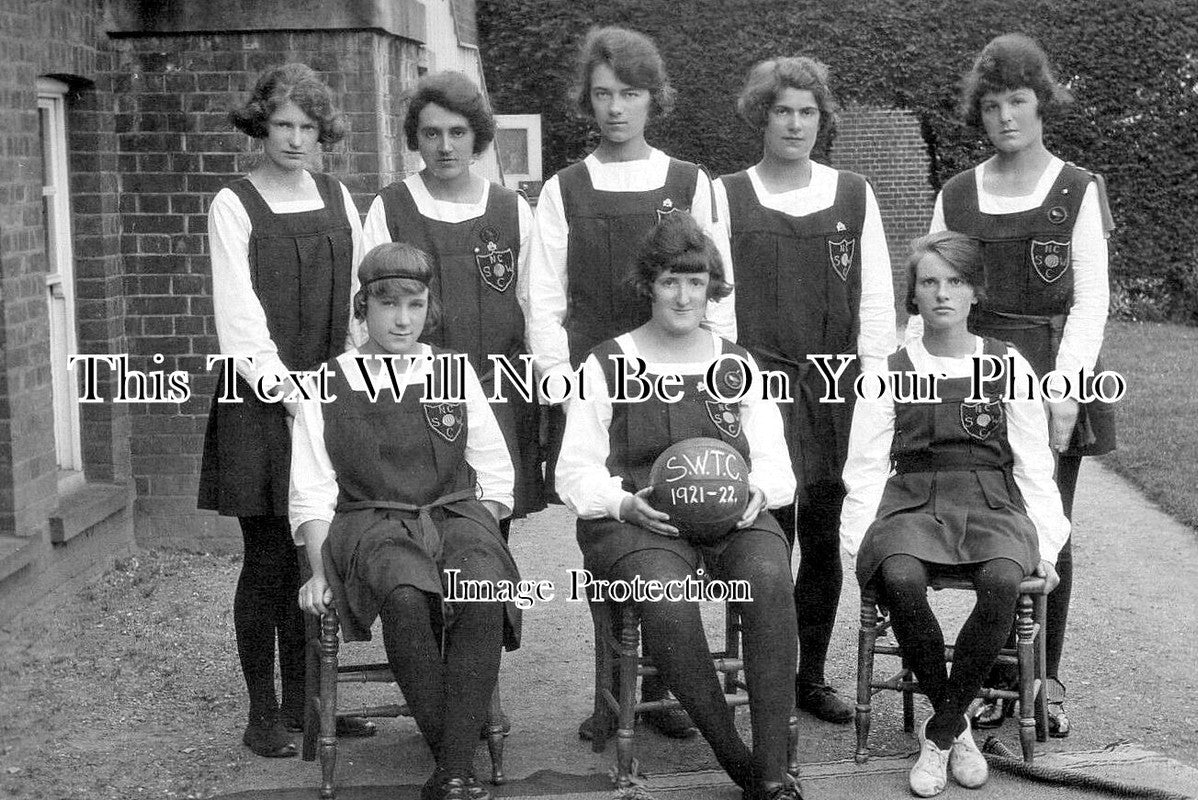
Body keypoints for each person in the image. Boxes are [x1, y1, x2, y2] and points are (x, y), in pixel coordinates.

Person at [528, 25, 734, 739]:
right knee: (608, 525)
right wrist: (557, 381)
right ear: (587, 102)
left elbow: (717, 290)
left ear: (655, 100)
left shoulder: (690, 184)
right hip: (601, 384)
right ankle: (609, 693)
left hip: (678, 380)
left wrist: (717, 376)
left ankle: (667, 685)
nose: (617, 108)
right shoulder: (565, 189)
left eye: (631, 94)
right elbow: (543, 297)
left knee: (678, 521)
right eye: (603, 94)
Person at [907, 33, 1114, 736]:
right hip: (972, 375)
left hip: (1048, 374)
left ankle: (1042, 680)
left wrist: (1064, 389)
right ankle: (990, 672)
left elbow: (1090, 301)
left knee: (1046, 524)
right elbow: (931, 289)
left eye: (1018, 100)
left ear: (1041, 103)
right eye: (991, 104)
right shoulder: (957, 194)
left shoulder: (1077, 189)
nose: (1005, 116)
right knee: (978, 517)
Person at [556, 212, 802, 800]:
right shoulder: (606, 362)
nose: (684, 295)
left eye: (696, 282)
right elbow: (575, 471)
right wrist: (621, 504)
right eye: (670, 281)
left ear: (712, 287)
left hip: (728, 516)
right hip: (642, 521)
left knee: (769, 577)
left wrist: (757, 496)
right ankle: (736, 757)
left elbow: (776, 466)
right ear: (649, 285)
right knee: (667, 600)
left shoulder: (736, 364)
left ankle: (772, 769)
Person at [841, 231, 1068, 797]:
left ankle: (941, 730)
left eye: (956, 281)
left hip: (990, 500)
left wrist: (1047, 546)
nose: (942, 293)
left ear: (975, 293)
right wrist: (860, 543)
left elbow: (1035, 465)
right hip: (913, 501)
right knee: (898, 575)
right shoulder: (888, 370)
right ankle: (956, 725)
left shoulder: (1006, 363)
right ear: (912, 295)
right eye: (929, 282)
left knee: (1002, 578)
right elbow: (866, 467)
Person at [291, 243, 521, 800]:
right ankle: (457, 761)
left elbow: (495, 470)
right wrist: (319, 570)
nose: (401, 319)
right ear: (361, 307)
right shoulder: (328, 381)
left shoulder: (451, 371)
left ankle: (450, 770)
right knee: (405, 594)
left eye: (415, 305)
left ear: (428, 308)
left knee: (483, 586)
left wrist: (474, 532)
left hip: (453, 512)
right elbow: (313, 494)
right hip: (373, 524)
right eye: (387, 304)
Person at [713, 56, 896, 724]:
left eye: (807, 112)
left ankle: (809, 678)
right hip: (757, 393)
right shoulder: (724, 196)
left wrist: (876, 397)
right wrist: (728, 390)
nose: (794, 124)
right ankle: (764, 675)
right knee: (767, 540)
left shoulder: (853, 195)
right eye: (783, 110)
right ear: (761, 116)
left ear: (824, 120)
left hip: (835, 393)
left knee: (822, 540)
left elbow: (876, 307)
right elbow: (715, 308)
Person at [197, 63, 369, 758]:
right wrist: (294, 397)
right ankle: (262, 712)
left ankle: (311, 704)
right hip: (261, 403)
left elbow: (361, 303)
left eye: (308, 126)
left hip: (328, 401)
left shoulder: (337, 195)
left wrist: (350, 388)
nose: (296, 139)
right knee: (267, 558)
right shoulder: (234, 204)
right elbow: (240, 325)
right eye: (283, 125)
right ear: (259, 127)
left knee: (317, 555)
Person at [363, 70, 545, 536]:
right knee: (417, 528)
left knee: (487, 530)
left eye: (458, 133)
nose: (445, 146)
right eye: (432, 133)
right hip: (417, 391)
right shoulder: (392, 207)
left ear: (477, 137)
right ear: (416, 139)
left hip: (497, 389)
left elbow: (535, 304)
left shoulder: (510, 208)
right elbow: (366, 311)